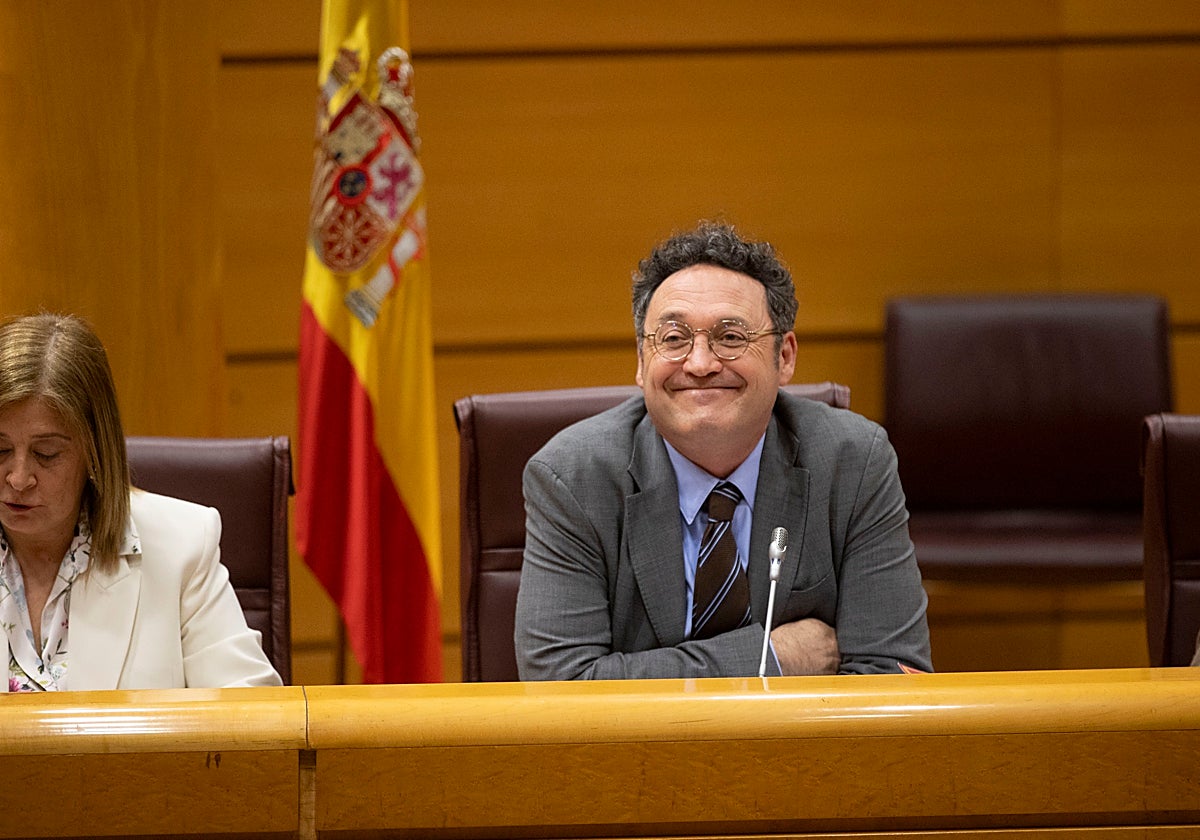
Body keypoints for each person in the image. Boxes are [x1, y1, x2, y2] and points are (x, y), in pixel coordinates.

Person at [515, 221, 931, 679]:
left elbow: (894, 679)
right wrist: (769, 658)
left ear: (785, 357)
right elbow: (560, 685)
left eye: (731, 337)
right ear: (640, 361)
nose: (699, 363)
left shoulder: (853, 461)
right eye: (673, 339)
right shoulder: (572, 477)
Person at [0, 312, 281, 691]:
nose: (18, 478)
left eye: (46, 454)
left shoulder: (182, 545)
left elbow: (252, 716)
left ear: (95, 451)